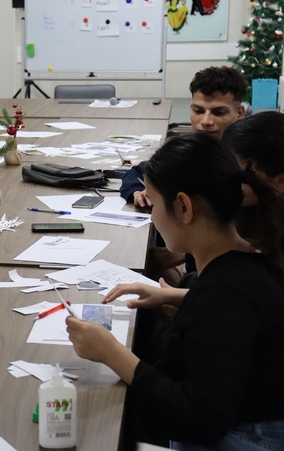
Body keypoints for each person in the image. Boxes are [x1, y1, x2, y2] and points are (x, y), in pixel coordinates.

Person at [67, 134, 284, 449]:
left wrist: (112, 354)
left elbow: (199, 419)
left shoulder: (226, 291)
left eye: (154, 204)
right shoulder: (248, 260)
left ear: (184, 207)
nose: (153, 216)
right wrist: (177, 298)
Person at [120, 65, 247, 208]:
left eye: (219, 112)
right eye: (198, 111)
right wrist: (137, 192)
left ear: (239, 113)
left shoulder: (246, 159)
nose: (206, 121)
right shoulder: (190, 149)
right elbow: (138, 171)